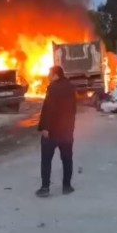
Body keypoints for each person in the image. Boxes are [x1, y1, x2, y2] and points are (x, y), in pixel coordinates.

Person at [36, 65, 77, 198]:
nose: (48, 76)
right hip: (66, 131)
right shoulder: (70, 87)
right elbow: (73, 110)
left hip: (52, 131)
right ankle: (67, 186)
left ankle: (45, 187)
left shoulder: (53, 88)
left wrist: (45, 128)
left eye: (49, 74)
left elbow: (49, 109)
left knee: (46, 160)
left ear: (55, 75)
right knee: (67, 159)